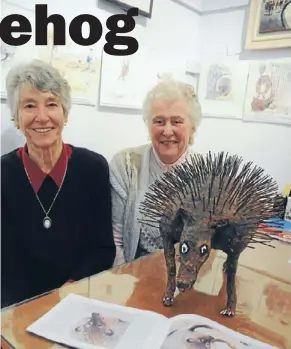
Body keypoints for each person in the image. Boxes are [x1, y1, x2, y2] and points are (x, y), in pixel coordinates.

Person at [1, 59, 116, 308]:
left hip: (79, 297)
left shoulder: (93, 168)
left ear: (65, 114)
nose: (42, 117)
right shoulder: (3, 174)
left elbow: (103, 249)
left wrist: (67, 294)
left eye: (51, 104)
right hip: (18, 307)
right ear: (16, 118)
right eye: (29, 105)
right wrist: (27, 310)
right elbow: (5, 261)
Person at [110, 79, 203, 265]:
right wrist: (123, 283)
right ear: (148, 125)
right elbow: (116, 240)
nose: (167, 131)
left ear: (192, 127)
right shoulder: (126, 165)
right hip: (133, 277)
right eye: (159, 121)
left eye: (177, 121)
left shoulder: (207, 176)